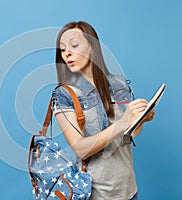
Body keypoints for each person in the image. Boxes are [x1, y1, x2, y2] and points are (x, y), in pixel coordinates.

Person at [51, 21, 155, 200]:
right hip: (96, 195)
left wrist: (140, 119)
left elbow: (127, 136)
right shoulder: (64, 94)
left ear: (92, 47)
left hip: (130, 191)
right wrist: (124, 121)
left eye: (74, 46)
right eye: (62, 49)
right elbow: (81, 149)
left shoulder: (118, 83)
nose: (67, 53)